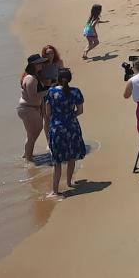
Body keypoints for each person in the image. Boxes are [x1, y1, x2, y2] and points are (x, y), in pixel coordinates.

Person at [42, 68, 86, 198]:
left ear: (58, 78)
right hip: (72, 126)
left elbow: (48, 113)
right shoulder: (75, 92)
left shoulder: (51, 91)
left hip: (57, 127)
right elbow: (80, 110)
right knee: (71, 156)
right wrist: (70, 116)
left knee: (57, 161)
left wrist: (58, 117)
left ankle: (54, 191)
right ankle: (69, 182)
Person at [17, 56, 44, 161]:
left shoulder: (32, 76)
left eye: (41, 62)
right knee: (32, 135)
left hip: (28, 108)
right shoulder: (30, 78)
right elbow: (32, 96)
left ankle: (26, 154)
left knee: (31, 134)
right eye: (38, 63)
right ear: (32, 65)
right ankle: (29, 160)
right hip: (28, 108)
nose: (41, 64)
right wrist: (47, 91)